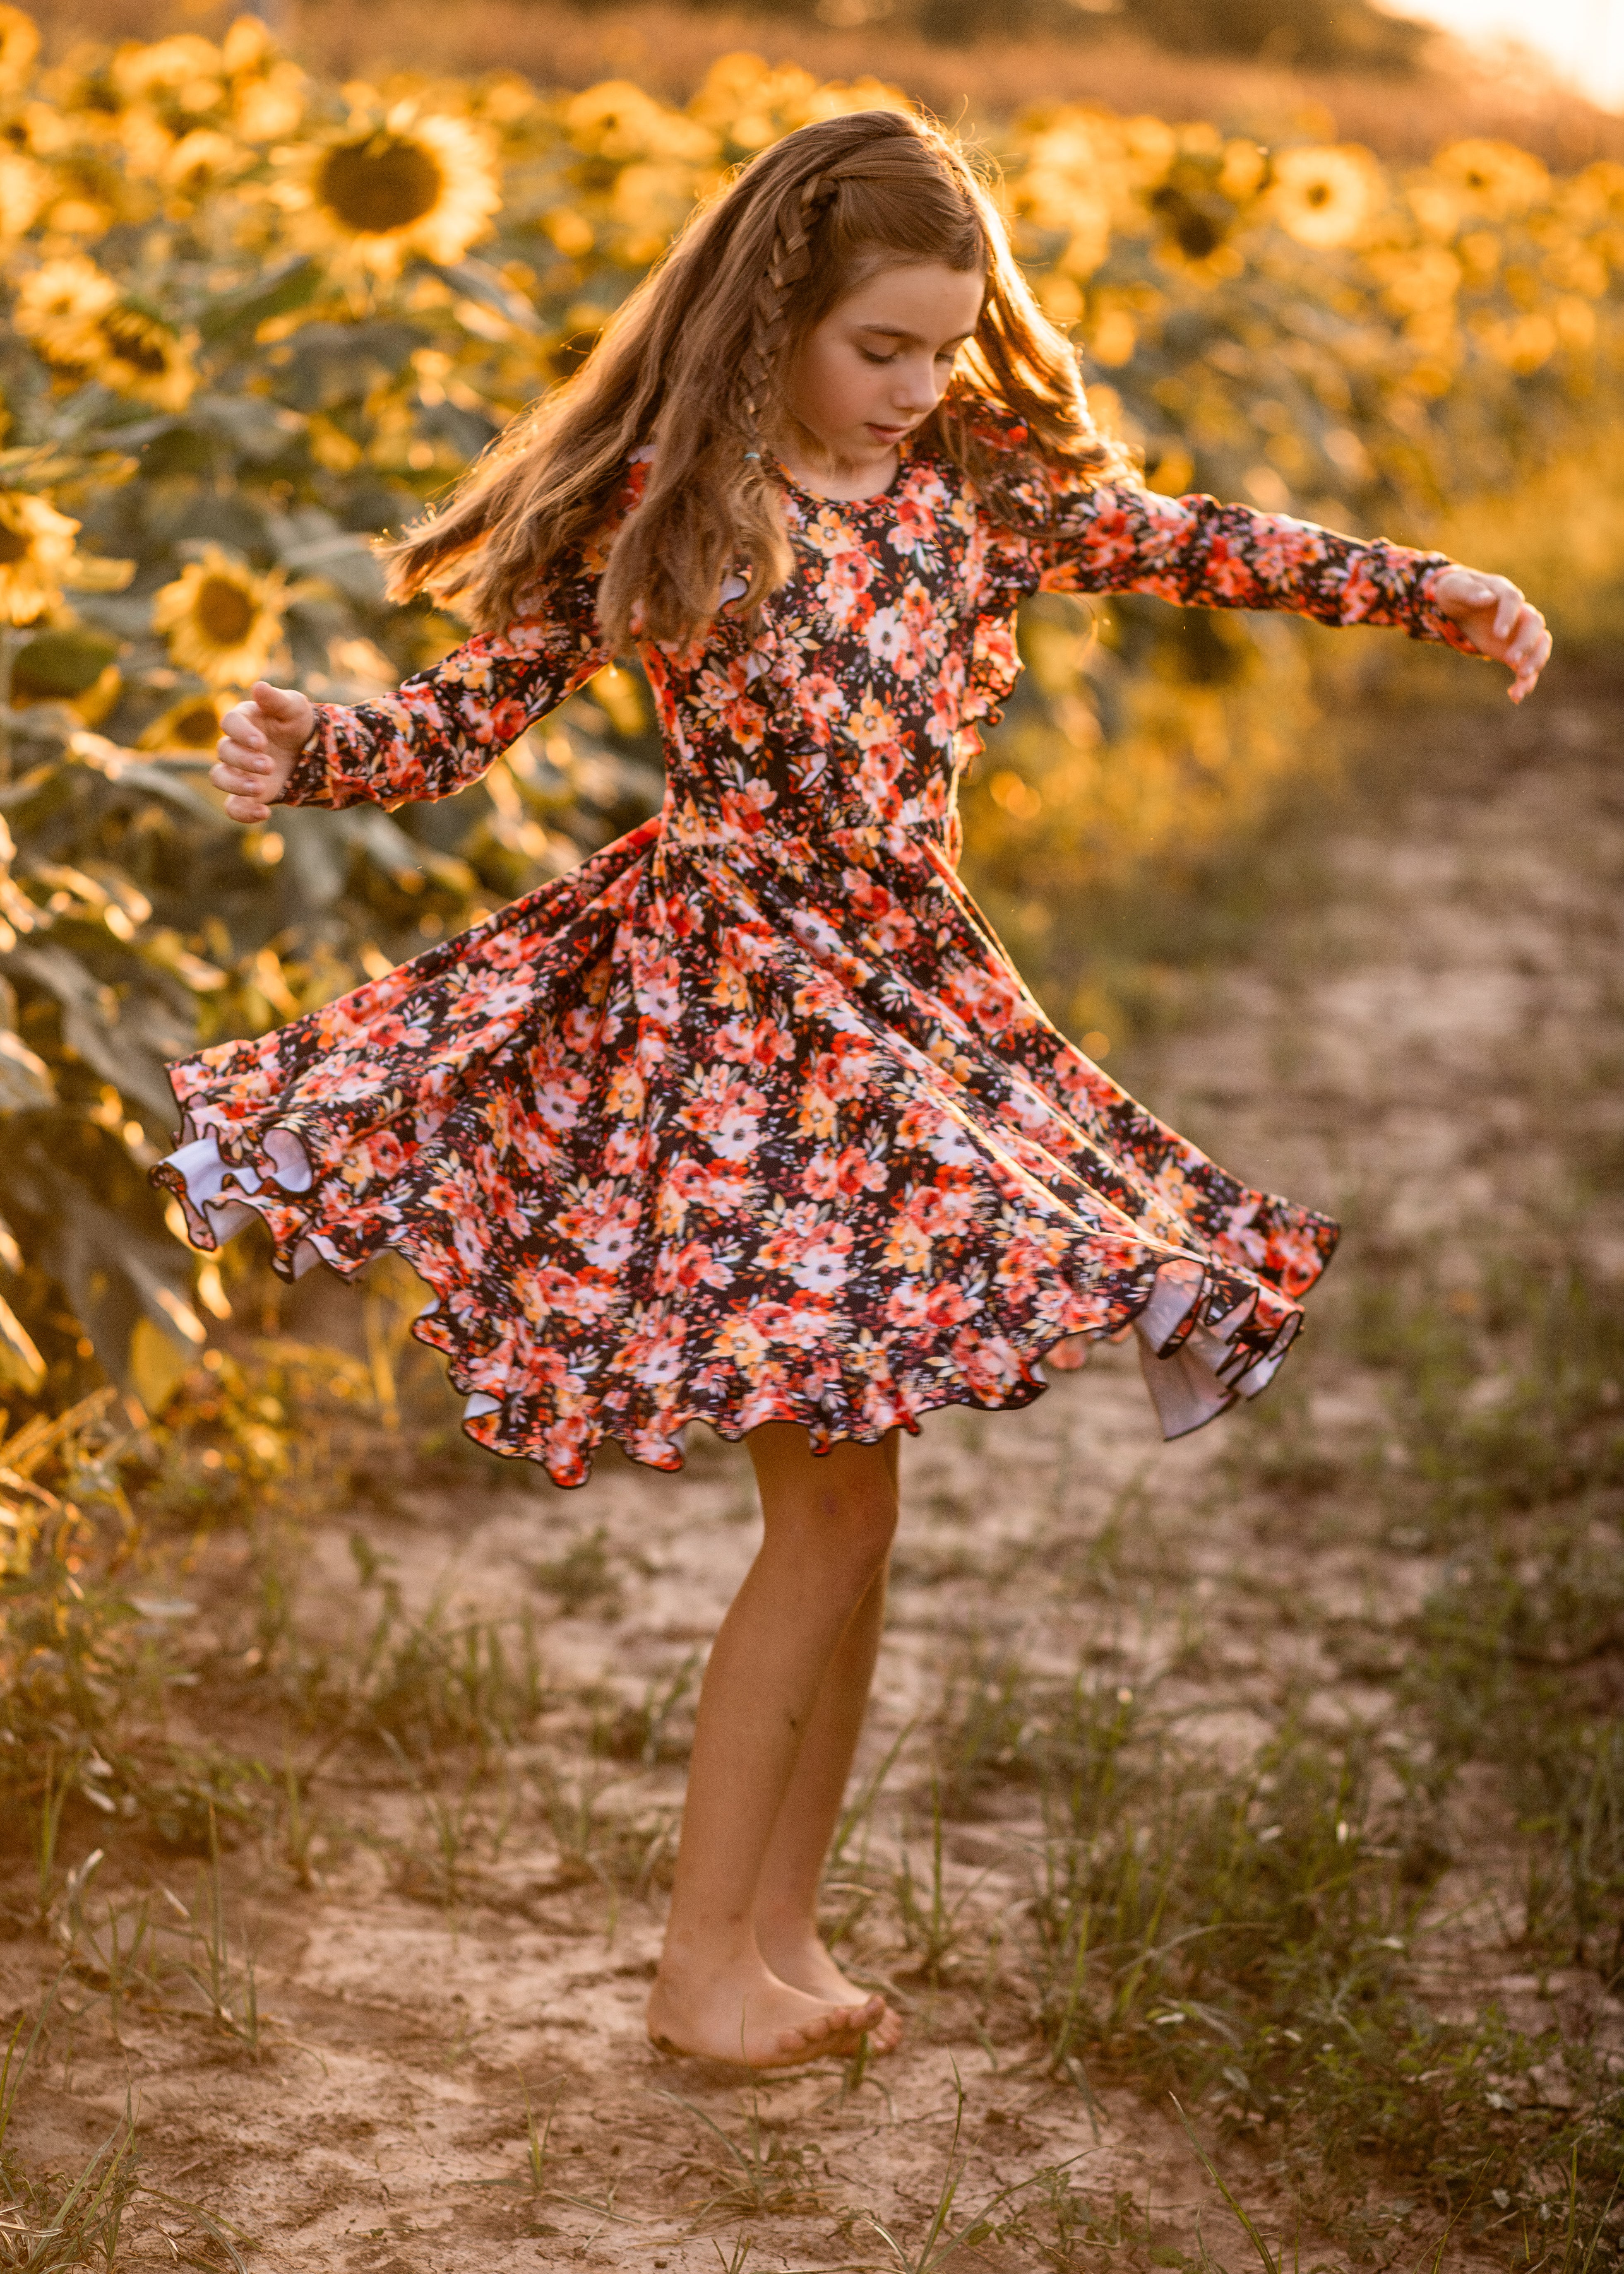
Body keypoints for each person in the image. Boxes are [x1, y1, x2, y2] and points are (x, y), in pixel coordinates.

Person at [156, 108, 1550, 2071]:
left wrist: (1437, 590)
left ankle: (777, 1937)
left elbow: (1199, 542)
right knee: (827, 1516)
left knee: (861, 1503)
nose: (916, 387)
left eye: (945, 349)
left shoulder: (976, 489)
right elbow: (472, 708)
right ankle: (700, 1967)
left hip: (904, 1009)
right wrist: (318, 748)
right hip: (729, 1018)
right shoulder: (685, 497)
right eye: (878, 347)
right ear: (778, 318)